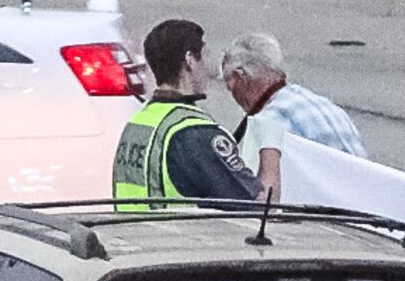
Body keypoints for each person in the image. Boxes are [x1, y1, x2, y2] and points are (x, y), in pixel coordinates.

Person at [110, 18, 256, 209]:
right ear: (190, 60)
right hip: (179, 237)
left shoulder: (138, 123)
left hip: (129, 237)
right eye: (204, 57)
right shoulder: (194, 133)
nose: (209, 69)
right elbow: (253, 204)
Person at [225, 32, 367, 200]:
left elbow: (260, 198)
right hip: (361, 207)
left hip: (322, 218)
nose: (233, 96)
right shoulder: (327, 106)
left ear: (241, 78)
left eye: (230, 86)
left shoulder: (266, 123)